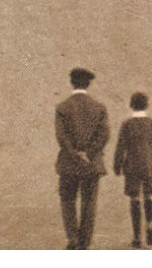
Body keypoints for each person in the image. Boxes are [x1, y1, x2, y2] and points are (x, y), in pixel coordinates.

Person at [55, 67, 109, 250]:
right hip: (91, 164)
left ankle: (73, 238)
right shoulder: (99, 107)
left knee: (67, 200)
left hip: (69, 163)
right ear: (88, 84)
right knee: (89, 203)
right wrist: (89, 153)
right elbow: (104, 135)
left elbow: (61, 137)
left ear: (71, 83)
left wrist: (75, 154)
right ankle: (84, 242)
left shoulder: (62, 107)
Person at [113, 92, 152, 249]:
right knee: (149, 195)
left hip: (132, 166)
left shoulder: (127, 124)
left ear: (131, 105)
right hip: (150, 166)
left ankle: (137, 237)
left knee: (134, 198)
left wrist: (117, 166)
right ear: (147, 105)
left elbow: (120, 147)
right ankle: (149, 224)